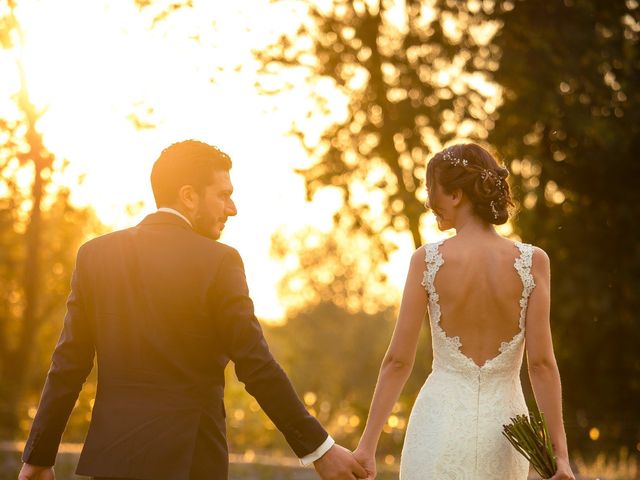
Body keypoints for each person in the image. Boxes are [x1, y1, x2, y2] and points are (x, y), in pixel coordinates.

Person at [18, 140, 367, 480]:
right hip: (191, 462)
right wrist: (320, 450)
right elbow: (255, 363)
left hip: (114, 462)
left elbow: (68, 364)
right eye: (223, 195)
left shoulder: (95, 255)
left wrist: (38, 455)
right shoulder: (219, 261)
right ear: (188, 196)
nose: (232, 209)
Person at [353, 143, 575, 479]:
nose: (428, 201)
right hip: (506, 432)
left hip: (437, 424)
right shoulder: (533, 263)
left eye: (432, 189)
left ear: (456, 195)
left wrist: (366, 448)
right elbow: (542, 365)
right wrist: (561, 458)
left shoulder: (425, 261)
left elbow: (398, 361)